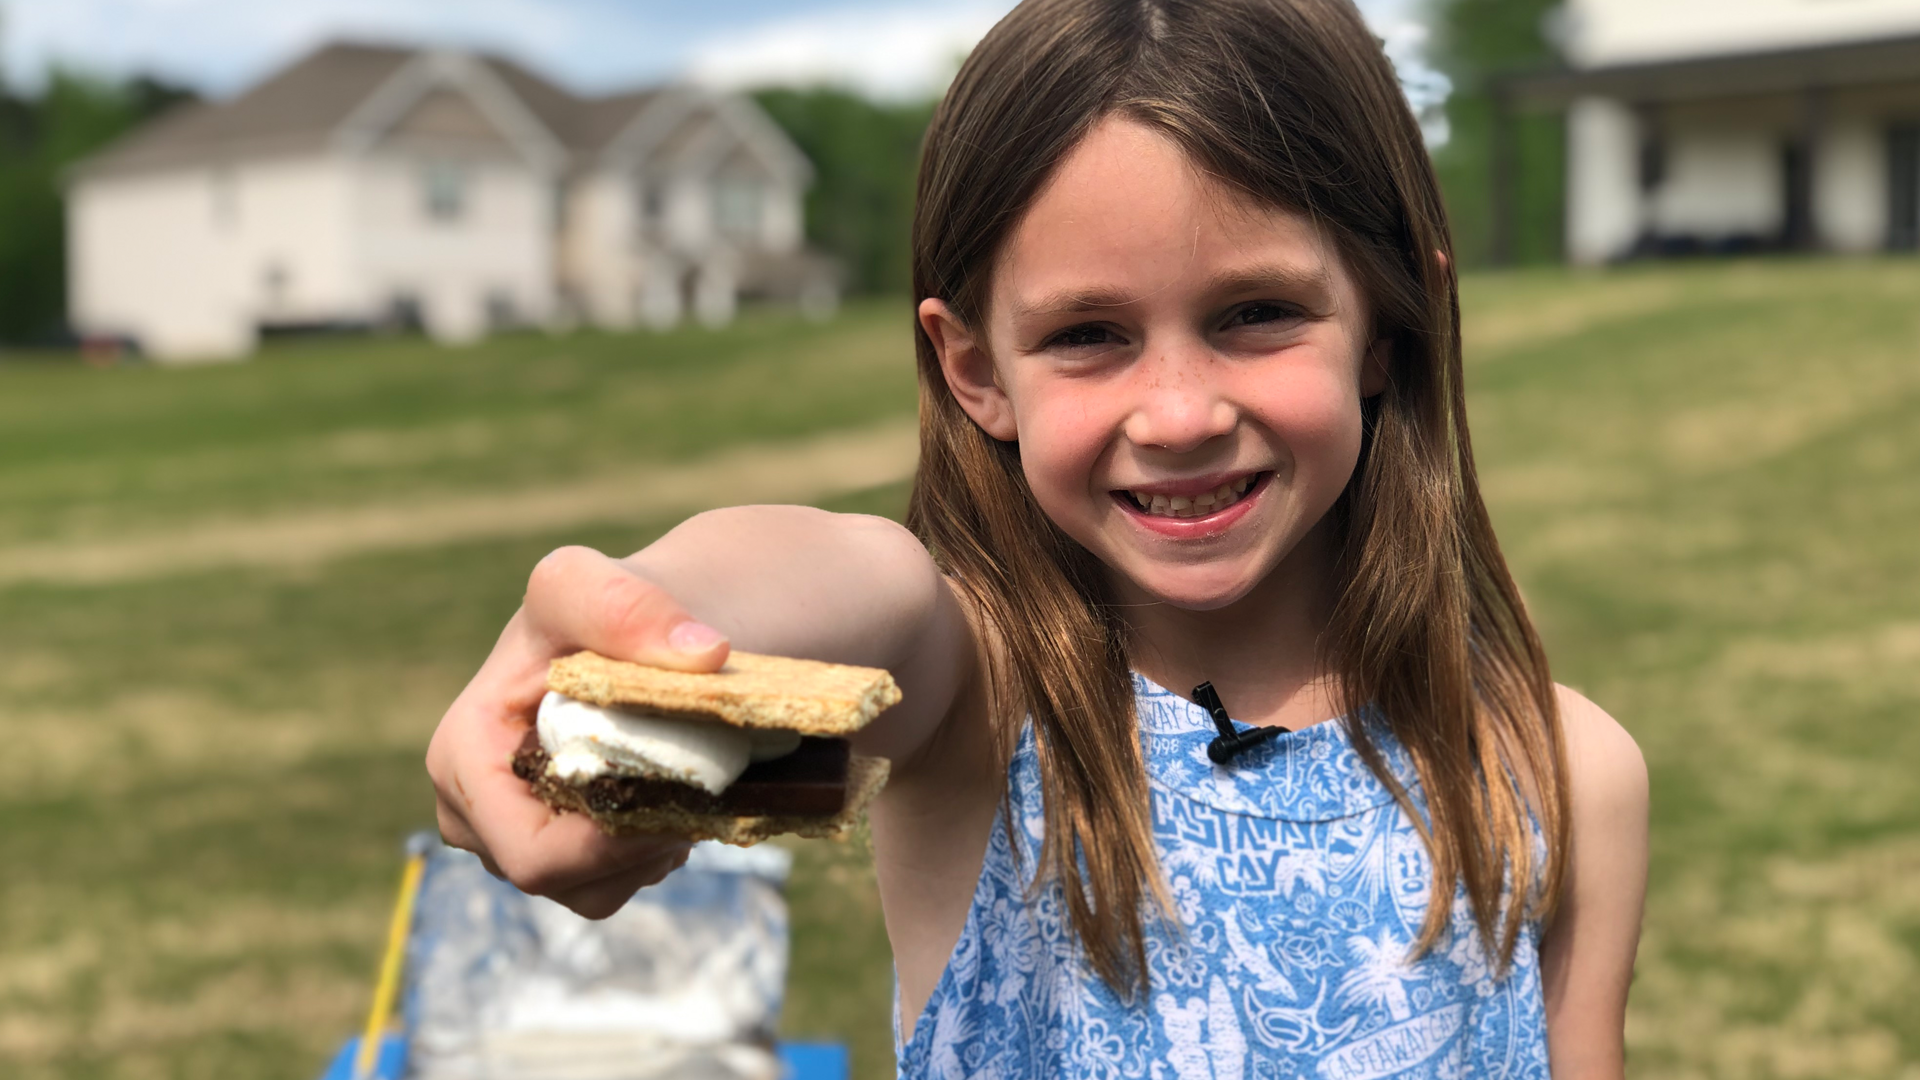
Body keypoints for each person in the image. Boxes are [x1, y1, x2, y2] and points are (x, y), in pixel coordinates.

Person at [427, 0, 1649, 1074]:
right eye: (1088, 335)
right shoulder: (984, 701)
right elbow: (853, 581)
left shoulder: (1565, 775)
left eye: (1257, 313)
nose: (1179, 414)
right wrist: (642, 615)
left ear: (1388, 324)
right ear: (975, 370)